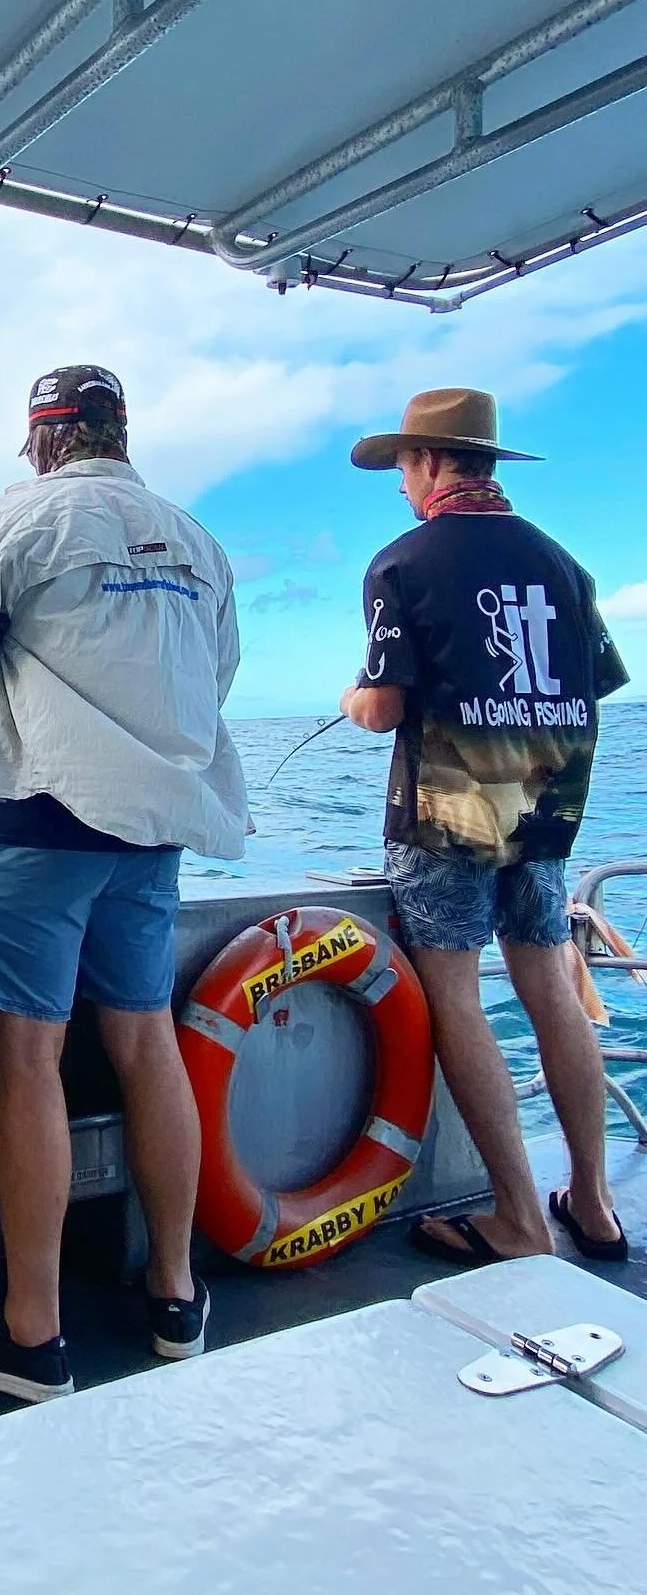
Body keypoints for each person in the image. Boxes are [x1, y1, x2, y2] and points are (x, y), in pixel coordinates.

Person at [0, 365, 248, 1402]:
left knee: (28, 1063)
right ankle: (176, 1297)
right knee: (145, 1041)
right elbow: (216, 674)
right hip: (150, 840)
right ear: (118, 434)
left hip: (34, 826)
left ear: (47, 440)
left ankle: (33, 1334)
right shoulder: (198, 540)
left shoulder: (17, 523)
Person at [341, 386, 630, 1269]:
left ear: (429, 463)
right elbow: (600, 679)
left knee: (459, 999)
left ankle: (516, 1220)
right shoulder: (564, 565)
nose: (399, 485)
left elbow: (386, 708)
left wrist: (357, 701)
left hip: (448, 818)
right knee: (549, 985)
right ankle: (593, 1202)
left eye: (402, 467)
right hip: (547, 812)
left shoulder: (402, 564)